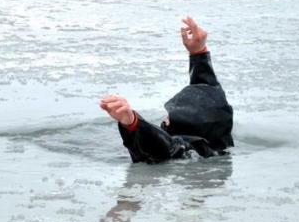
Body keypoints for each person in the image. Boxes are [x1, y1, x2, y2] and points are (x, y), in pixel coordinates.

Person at [100, 16, 233, 163]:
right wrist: (199, 53)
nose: (166, 119)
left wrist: (133, 122)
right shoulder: (219, 136)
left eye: (169, 117)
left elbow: (167, 146)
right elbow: (209, 93)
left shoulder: (186, 150)